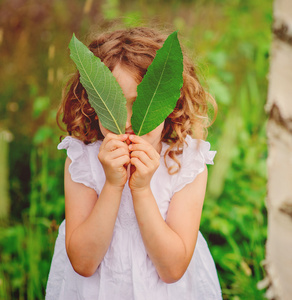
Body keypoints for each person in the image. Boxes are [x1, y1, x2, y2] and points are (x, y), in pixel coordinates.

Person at [46, 27, 222, 300]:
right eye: (115, 105)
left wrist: (140, 190)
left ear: (168, 105)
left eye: (140, 105)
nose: (128, 121)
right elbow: (83, 263)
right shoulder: (83, 160)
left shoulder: (185, 163)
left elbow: (173, 269)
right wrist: (113, 185)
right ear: (95, 104)